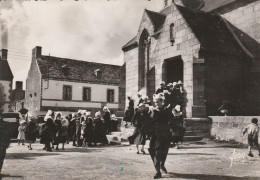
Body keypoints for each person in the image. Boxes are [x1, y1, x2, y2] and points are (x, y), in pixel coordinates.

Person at [148, 93, 172, 179]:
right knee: (151, 150)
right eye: (155, 101)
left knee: (163, 152)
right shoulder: (153, 111)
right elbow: (148, 122)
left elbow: (173, 122)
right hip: (155, 134)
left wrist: (177, 131)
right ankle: (158, 169)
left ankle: (159, 169)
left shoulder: (167, 112)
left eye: (158, 101)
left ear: (162, 101)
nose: (156, 103)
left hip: (164, 134)